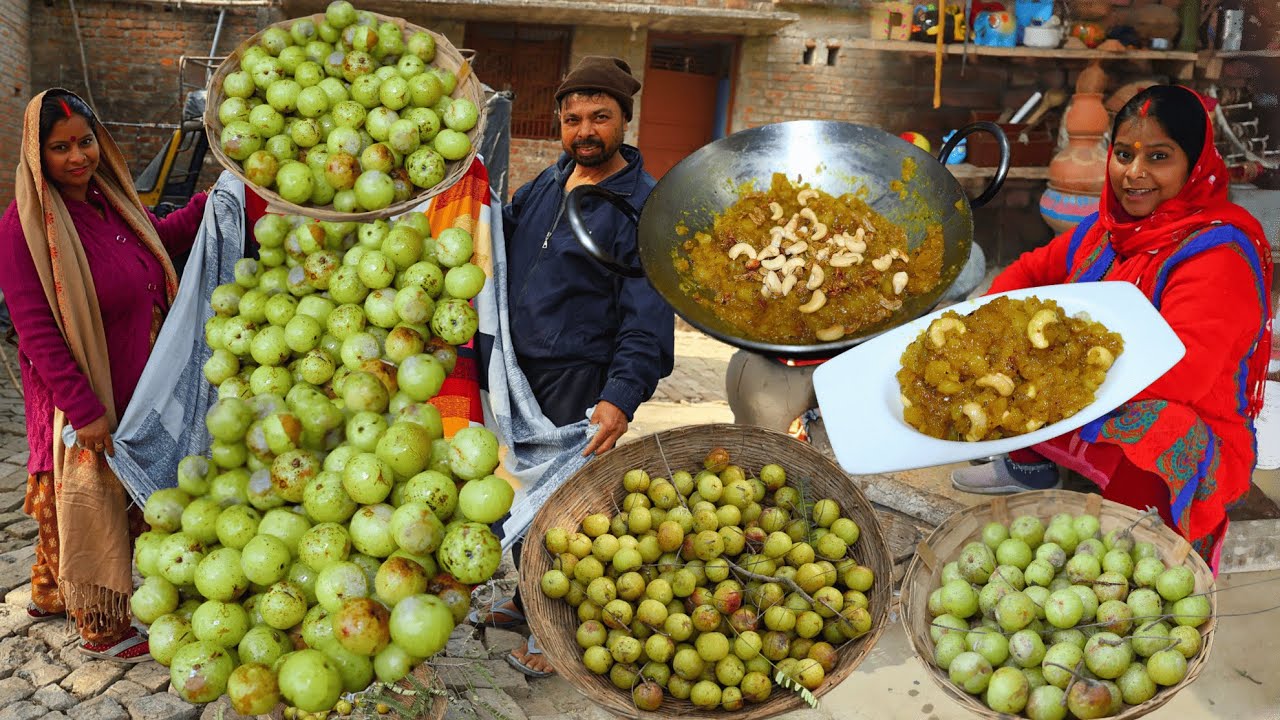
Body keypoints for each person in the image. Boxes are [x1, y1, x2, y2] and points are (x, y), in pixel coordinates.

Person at [952, 85, 1272, 572]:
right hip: (1104, 378)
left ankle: (1141, 535)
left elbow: (1184, 373)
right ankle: (1031, 467)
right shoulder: (1110, 226)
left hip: (1191, 411)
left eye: (1158, 156)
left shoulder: (1217, 252)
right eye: (1124, 154)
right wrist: (985, 319)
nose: (1133, 173)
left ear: (1194, 163)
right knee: (1004, 342)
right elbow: (1035, 270)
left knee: (1153, 424)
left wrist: (1058, 371)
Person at [478, 56, 676, 677]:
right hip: (515, 372)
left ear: (624, 121)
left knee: (564, 513)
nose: (584, 130)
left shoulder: (644, 209)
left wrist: (620, 395)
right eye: (572, 119)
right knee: (516, 498)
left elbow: (648, 319)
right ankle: (524, 598)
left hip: (579, 376)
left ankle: (557, 633)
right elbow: (500, 246)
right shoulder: (546, 183)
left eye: (600, 117)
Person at [0, 89, 208, 661]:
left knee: (93, 497)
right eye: (60, 147)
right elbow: (36, 330)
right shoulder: (24, 227)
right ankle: (100, 621)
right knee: (87, 499)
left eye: (85, 141)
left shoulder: (110, 200)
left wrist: (212, 207)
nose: (78, 157)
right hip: (80, 388)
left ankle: (46, 590)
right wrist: (85, 407)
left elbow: (155, 244)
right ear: (36, 153)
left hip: (135, 376)